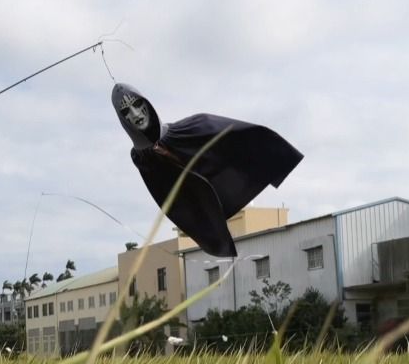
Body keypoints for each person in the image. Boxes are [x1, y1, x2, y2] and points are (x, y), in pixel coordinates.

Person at [113, 83, 304, 257]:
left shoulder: (192, 127)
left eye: (138, 105)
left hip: (209, 169)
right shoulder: (141, 158)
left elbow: (227, 136)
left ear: (147, 104)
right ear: (123, 119)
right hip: (191, 193)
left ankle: (275, 159)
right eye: (126, 111)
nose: (136, 114)